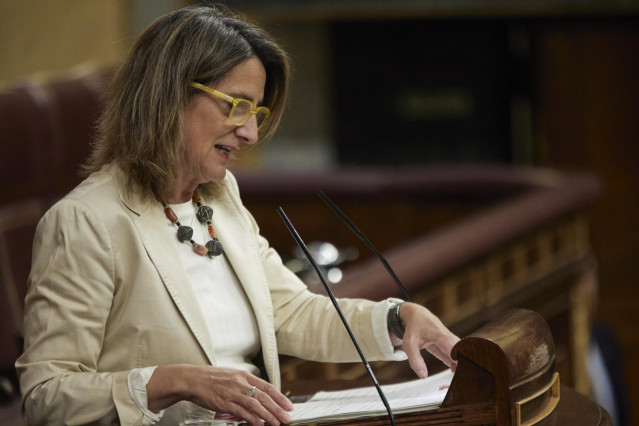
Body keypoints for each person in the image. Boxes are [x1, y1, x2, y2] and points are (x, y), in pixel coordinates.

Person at [15, 5, 459, 425]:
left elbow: (289, 312)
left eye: (257, 112)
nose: (249, 133)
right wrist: (176, 381)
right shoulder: (86, 220)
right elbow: (47, 397)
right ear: (168, 96)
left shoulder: (221, 196)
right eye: (236, 105)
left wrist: (397, 319)